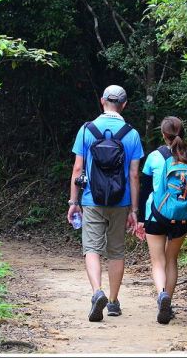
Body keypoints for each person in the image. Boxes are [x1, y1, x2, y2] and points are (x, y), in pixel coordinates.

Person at [67, 85, 144, 322]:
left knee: (92, 248)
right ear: (124, 105)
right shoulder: (131, 133)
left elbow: (78, 168)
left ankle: (96, 292)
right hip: (120, 202)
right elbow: (133, 175)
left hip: (92, 199)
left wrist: (73, 201)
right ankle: (112, 301)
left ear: (102, 101)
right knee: (116, 251)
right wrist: (134, 209)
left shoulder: (86, 130)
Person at [139, 116, 187, 324]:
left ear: (163, 134)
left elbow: (145, 190)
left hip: (156, 215)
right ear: (182, 132)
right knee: (172, 259)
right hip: (183, 216)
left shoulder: (155, 157)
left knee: (158, 261)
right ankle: (169, 302)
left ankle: (162, 295)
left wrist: (140, 218)